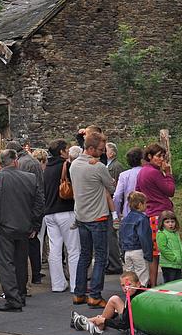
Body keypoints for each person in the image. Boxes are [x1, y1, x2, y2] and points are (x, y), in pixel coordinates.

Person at [0, 149, 44, 312]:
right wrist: (34, 224)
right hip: (23, 226)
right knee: (20, 262)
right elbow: (39, 202)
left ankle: (13, 299)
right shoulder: (30, 178)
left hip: (3, 227)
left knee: (6, 263)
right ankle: (21, 294)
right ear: (16, 161)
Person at [70, 132, 115, 308]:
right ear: (90, 149)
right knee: (101, 257)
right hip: (98, 217)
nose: (102, 153)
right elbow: (111, 187)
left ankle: (79, 293)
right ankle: (95, 295)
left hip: (81, 216)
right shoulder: (98, 167)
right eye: (100, 150)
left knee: (84, 255)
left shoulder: (74, 165)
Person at [43, 140, 80, 293]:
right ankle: (75, 284)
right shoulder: (67, 166)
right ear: (61, 152)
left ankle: (57, 284)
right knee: (73, 249)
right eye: (66, 149)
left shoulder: (46, 169)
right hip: (66, 210)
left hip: (49, 212)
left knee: (55, 249)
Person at [135, 143, 175, 287]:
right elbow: (170, 190)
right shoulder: (155, 172)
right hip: (162, 214)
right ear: (150, 156)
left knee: (154, 253)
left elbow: (138, 191)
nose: (161, 159)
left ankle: (152, 283)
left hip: (150, 214)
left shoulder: (142, 172)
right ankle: (170, 283)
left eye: (163, 156)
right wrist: (168, 174)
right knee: (166, 251)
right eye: (158, 156)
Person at [71, 271, 146, 335]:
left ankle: (96, 326)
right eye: (123, 285)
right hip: (136, 324)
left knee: (114, 301)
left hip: (137, 332)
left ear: (138, 284)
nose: (126, 288)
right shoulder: (139, 292)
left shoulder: (135, 300)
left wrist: (104, 320)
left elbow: (124, 324)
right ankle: (89, 322)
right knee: (114, 303)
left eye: (129, 284)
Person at [118, 191, 153, 286]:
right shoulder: (142, 219)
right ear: (140, 204)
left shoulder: (125, 220)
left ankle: (129, 298)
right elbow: (144, 237)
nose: (146, 206)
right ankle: (140, 297)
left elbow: (120, 237)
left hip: (127, 252)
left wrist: (122, 252)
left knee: (129, 279)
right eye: (145, 203)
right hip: (139, 251)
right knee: (142, 278)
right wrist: (148, 253)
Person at [112, 147, 144, 220]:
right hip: (145, 211)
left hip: (128, 212)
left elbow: (117, 196)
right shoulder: (147, 173)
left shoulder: (124, 175)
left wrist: (117, 213)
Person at [157, 210, 182, 282]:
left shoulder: (175, 233)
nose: (170, 224)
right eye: (167, 222)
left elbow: (180, 246)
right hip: (168, 264)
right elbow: (162, 248)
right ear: (162, 223)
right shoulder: (162, 234)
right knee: (169, 283)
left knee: (177, 282)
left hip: (177, 263)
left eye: (172, 222)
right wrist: (173, 258)